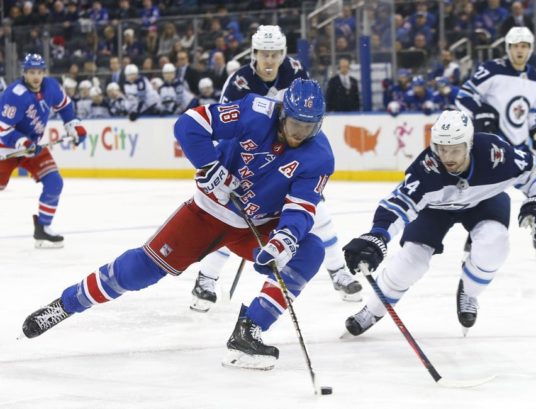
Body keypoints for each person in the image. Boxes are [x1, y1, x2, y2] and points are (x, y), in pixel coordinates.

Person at [21, 79, 333, 371]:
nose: (299, 134)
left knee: (310, 250)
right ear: (282, 114)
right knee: (140, 271)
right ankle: (66, 304)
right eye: (295, 125)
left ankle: (249, 330)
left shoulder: (319, 155)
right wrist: (209, 165)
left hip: (257, 226)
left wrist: (284, 241)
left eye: (309, 127)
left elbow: (302, 207)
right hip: (207, 213)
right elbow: (190, 124)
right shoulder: (254, 112)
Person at [190, 25, 361, 313]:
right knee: (233, 220)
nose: (269, 60)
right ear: (254, 54)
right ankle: (206, 279)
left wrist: (310, 171)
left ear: (283, 53)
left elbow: (309, 118)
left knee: (316, 212)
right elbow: (226, 133)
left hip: (288, 159)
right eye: (264, 54)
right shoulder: (239, 82)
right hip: (247, 163)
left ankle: (338, 271)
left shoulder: (295, 70)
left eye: (275, 54)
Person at [342, 110, 536, 337]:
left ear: (470, 144)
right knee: (411, 261)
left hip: (485, 200)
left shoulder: (495, 154)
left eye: (455, 149)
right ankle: (373, 310)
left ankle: (469, 291)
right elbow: (398, 204)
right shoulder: (426, 169)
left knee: (495, 243)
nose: (448, 157)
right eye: (442, 149)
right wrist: (377, 236)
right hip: (436, 210)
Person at [455, 26, 536, 259]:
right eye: (515, 46)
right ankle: (474, 241)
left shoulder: (535, 78)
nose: (519, 50)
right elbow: (464, 96)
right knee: (486, 192)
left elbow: (532, 114)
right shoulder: (491, 70)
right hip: (492, 145)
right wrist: (481, 116)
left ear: (530, 49)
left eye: (524, 46)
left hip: (519, 145)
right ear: (507, 48)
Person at [0, 53, 86, 248]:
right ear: (25, 73)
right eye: (31, 72)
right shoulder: (15, 94)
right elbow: (3, 130)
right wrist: (23, 143)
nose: (36, 77)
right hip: (6, 149)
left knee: (54, 182)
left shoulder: (51, 86)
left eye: (39, 72)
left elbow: (65, 107)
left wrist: (73, 125)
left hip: (32, 147)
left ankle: (43, 229)